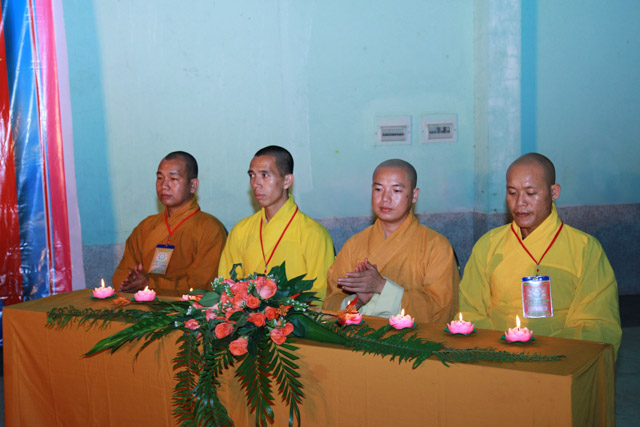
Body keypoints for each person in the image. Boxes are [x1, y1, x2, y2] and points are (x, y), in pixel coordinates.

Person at [459, 153, 622, 355]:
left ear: (554, 192)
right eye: (512, 193)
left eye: (530, 193)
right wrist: (500, 349)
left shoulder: (585, 248)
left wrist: (546, 350)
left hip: (560, 359)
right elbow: (470, 311)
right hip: (499, 356)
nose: (520, 202)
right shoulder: (489, 245)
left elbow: (599, 324)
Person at [323, 159, 460, 323]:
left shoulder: (436, 246)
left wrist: (382, 287)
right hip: (359, 336)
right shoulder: (354, 245)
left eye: (396, 190)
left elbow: (440, 308)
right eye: (378, 189)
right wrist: (357, 301)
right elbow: (331, 302)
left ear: (414, 195)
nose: (385, 199)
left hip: (414, 338)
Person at [218, 146, 334, 300]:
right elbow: (226, 285)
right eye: (252, 175)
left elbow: (320, 293)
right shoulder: (241, 230)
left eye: (265, 175)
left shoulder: (313, 233)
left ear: (287, 181)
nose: (256, 183)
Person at [113, 151, 227, 296]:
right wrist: (129, 281)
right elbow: (122, 272)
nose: (164, 186)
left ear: (193, 185)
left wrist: (150, 284)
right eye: (160, 178)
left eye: (173, 179)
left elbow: (202, 285)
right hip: (141, 306)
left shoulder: (210, 229)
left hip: (186, 309)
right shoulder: (146, 227)